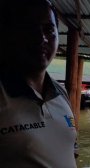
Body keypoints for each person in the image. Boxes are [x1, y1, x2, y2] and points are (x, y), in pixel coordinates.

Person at [0, 0, 78, 167]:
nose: (41, 37)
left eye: (48, 29)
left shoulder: (60, 92)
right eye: (28, 28)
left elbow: (70, 151)